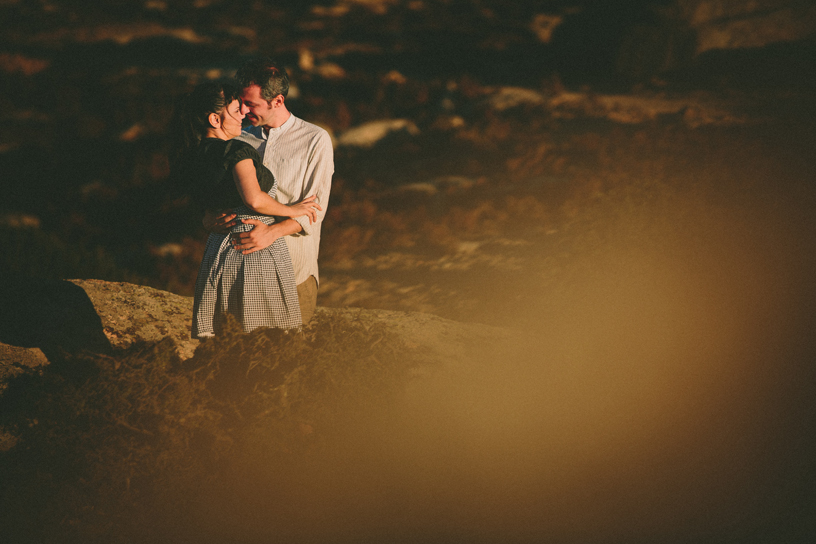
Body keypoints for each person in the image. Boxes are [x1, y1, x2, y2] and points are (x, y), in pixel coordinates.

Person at [171, 80, 321, 338]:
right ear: (215, 120)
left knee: (227, 339)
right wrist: (294, 210)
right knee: (265, 340)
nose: (243, 112)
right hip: (255, 252)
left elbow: (204, 206)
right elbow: (254, 200)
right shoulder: (237, 149)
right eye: (235, 108)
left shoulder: (194, 155)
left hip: (218, 250)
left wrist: (208, 220)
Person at [205, 58, 334, 325]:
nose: (242, 109)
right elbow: (212, 195)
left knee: (286, 358)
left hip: (294, 271)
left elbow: (314, 209)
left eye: (251, 104)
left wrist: (271, 233)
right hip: (239, 269)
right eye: (241, 102)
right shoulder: (238, 137)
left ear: (277, 101)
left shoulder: (314, 139)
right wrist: (208, 220)